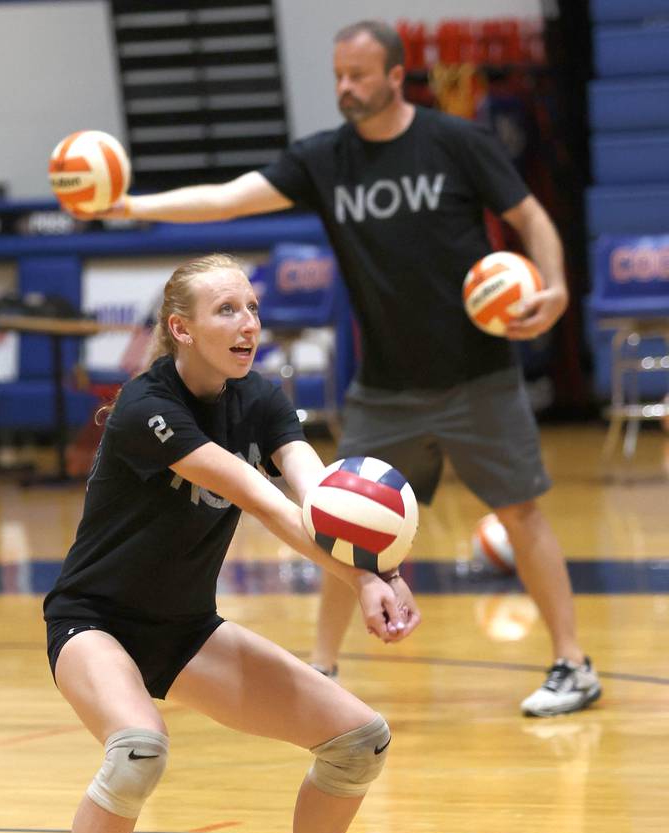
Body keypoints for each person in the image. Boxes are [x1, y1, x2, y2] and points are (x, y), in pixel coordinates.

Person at [77, 19, 601, 720]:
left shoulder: (455, 142)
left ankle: (572, 662)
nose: (346, 88)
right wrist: (131, 206)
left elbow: (533, 218)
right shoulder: (326, 159)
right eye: (338, 77)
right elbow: (230, 197)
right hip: (385, 386)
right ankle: (323, 665)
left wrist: (556, 285)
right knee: (338, 515)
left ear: (394, 75)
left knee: (522, 513)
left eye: (358, 75)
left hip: (477, 375)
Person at [35, 254, 420, 833]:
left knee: (356, 741)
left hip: (184, 629)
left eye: (251, 307)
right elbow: (262, 501)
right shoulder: (150, 405)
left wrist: (380, 566)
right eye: (226, 311)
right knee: (138, 749)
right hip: (94, 623)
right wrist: (362, 581)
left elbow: (315, 494)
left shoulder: (264, 398)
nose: (248, 323)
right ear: (180, 328)